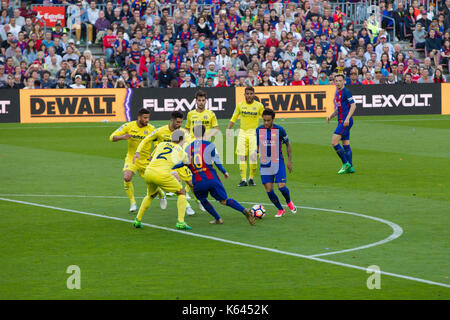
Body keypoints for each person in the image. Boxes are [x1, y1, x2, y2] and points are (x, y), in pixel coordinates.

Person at [173, 125, 255, 225]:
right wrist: (224, 171)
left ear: (193, 134)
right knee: (224, 200)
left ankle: (218, 218)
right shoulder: (210, 145)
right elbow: (216, 160)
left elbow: (182, 163)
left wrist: (171, 167)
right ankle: (244, 210)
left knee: (202, 199)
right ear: (204, 133)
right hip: (212, 178)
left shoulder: (188, 148)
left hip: (198, 181)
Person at [133, 111, 196, 216]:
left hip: (178, 161)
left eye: (181, 122)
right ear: (171, 120)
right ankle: (187, 206)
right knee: (178, 184)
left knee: (191, 183)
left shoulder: (183, 132)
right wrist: (138, 152)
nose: (179, 125)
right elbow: (146, 140)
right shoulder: (160, 131)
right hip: (165, 163)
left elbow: (188, 143)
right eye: (177, 122)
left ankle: (200, 201)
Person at [133, 130, 192, 231]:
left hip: (149, 172)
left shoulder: (161, 144)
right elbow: (188, 163)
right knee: (181, 192)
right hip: (162, 174)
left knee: (150, 195)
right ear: (181, 140)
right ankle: (181, 222)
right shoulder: (181, 151)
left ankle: (137, 220)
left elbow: (151, 157)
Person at [109, 108, 166, 213]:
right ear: (139, 117)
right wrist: (122, 137)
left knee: (153, 182)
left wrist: (154, 152)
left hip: (146, 160)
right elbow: (111, 137)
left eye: (148, 117)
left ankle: (161, 194)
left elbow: (157, 141)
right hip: (132, 159)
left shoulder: (151, 128)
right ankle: (133, 203)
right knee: (127, 177)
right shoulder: (128, 126)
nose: (147, 120)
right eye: (145, 118)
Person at [255, 108, 297, 218]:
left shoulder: (280, 130)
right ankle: (280, 209)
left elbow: (288, 144)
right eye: (264, 120)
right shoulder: (259, 130)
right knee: (269, 190)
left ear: (273, 119)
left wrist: (290, 161)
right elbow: (258, 145)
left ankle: (289, 202)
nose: (266, 123)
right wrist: (255, 152)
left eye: (268, 120)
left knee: (282, 187)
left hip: (278, 162)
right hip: (265, 164)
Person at [227, 86, 264, 187]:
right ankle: (243, 179)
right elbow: (233, 118)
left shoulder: (259, 106)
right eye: (247, 94)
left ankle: (251, 178)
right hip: (242, 133)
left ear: (254, 94)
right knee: (242, 156)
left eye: (251, 94)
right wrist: (228, 129)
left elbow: (265, 119)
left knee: (253, 157)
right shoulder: (240, 105)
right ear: (244, 95)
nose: (249, 96)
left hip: (254, 134)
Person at [326, 74, 356, 174]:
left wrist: (347, 118)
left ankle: (345, 163)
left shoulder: (346, 92)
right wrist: (331, 115)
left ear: (343, 82)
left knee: (334, 142)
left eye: (340, 81)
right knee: (345, 143)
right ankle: (350, 167)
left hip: (345, 121)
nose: (338, 82)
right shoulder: (338, 93)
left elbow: (353, 106)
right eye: (336, 81)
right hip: (342, 120)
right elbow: (339, 108)